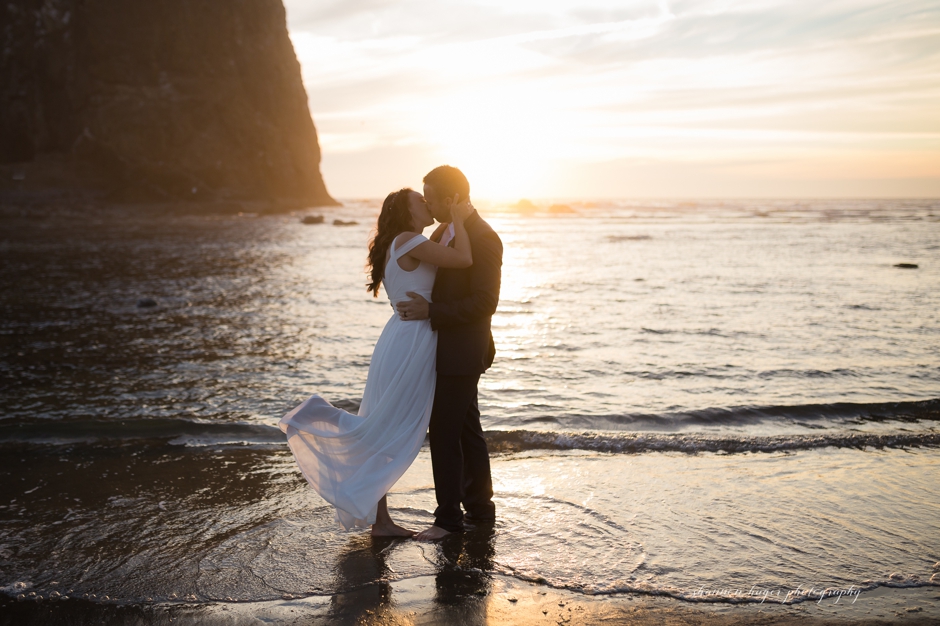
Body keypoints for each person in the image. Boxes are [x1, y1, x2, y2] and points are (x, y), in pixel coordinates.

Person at [279, 187, 473, 537]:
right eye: (421, 201)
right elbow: (462, 260)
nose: (427, 204)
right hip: (413, 339)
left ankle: (381, 522)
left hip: (398, 337)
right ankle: (318, 415)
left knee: (383, 425)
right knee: (390, 427)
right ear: (407, 211)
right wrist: (458, 220)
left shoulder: (397, 242)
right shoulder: (409, 239)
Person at [396, 165, 503, 541]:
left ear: (451, 198)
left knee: (443, 431)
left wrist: (431, 312)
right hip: (440, 346)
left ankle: (447, 521)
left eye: (430, 197)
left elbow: (485, 302)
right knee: (466, 429)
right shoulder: (443, 231)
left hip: (463, 349)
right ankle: (479, 509)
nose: (426, 203)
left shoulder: (485, 237)